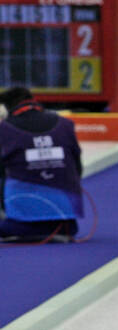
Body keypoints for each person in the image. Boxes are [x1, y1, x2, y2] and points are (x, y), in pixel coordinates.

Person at [0, 86, 82, 243]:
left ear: (7, 107)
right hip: (67, 223)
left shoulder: (4, 129)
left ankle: (24, 224)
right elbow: (77, 168)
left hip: (21, 221)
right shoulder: (65, 124)